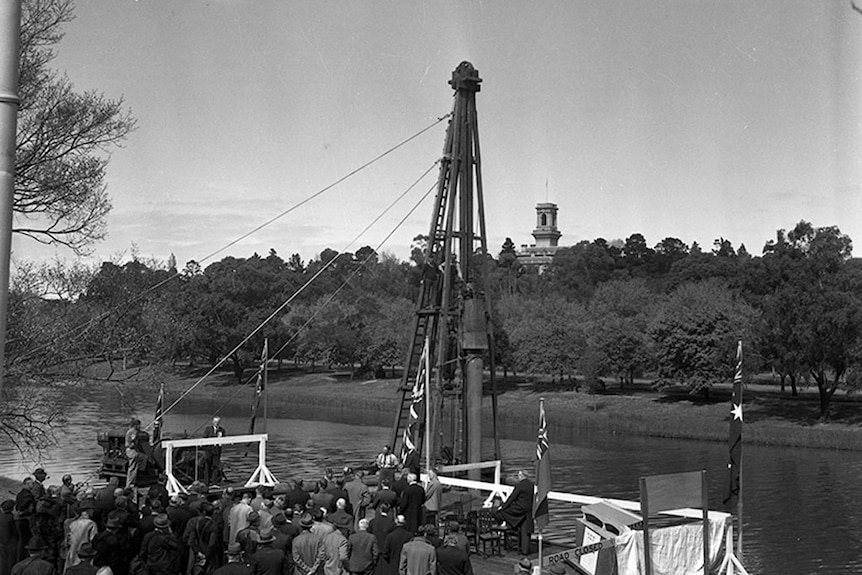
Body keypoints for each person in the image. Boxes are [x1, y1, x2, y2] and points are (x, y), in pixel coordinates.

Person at [496, 470, 534, 556]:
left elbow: (512, 498)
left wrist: (503, 507)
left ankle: (508, 525)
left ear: (522, 476)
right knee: (525, 529)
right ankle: (525, 550)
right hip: (528, 510)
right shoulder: (531, 485)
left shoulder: (519, 486)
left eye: (519, 475)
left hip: (519, 509)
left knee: (503, 513)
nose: (518, 477)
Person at [203, 417, 226, 486]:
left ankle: (214, 483)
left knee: (215, 466)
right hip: (209, 450)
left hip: (217, 451)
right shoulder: (208, 429)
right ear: (213, 422)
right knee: (207, 466)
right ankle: (206, 483)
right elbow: (204, 438)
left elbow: (224, 439)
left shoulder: (222, 430)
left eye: (218, 422)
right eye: (215, 422)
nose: (216, 423)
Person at [1, 500, 19, 575]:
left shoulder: (1, 517)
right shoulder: (11, 518)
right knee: (11, 562)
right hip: (11, 543)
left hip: (2, 542)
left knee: (3, 563)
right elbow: (16, 531)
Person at [124, 420, 145, 489]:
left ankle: (138, 476)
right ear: (136, 425)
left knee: (143, 459)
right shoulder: (131, 432)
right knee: (132, 468)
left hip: (133, 451)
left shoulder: (133, 432)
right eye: (139, 425)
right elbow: (130, 443)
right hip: (132, 452)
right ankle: (130, 484)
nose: (140, 426)